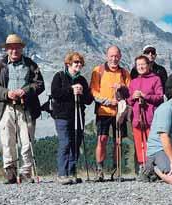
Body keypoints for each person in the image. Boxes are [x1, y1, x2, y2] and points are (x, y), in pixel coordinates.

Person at [0, 34, 44, 184]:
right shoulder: (0, 65)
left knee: (27, 141)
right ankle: (10, 173)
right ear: (6, 50)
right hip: (6, 107)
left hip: (26, 108)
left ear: (21, 48)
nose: (14, 51)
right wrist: (7, 93)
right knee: (7, 140)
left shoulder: (31, 65)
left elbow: (39, 84)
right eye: (11, 48)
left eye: (17, 47)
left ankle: (26, 173)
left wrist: (25, 91)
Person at [51, 52, 93, 185]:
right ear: (68, 63)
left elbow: (88, 100)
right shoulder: (59, 76)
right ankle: (62, 174)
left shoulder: (82, 80)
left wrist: (82, 93)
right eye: (76, 62)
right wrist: (71, 89)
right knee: (65, 143)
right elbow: (55, 94)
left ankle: (72, 172)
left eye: (80, 62)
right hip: (62, 116)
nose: (79, 65)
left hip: (78, 116)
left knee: (76, 143)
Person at [90, 45, 131, 182]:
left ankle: (116, 169)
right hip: (103, 112)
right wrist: (108, 102)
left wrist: (122, 87)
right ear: (107, 56)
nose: (114, 59)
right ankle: (100, 170)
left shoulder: (125, 73)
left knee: (118, 141)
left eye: (116, 56)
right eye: (111, 56)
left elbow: (129, 93)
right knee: (102, 140)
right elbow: (93, 92)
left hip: (119, 112)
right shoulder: (98, 70)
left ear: (120, 56)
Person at [128, 55, 164, 173]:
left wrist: (145, 96)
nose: (141, 67)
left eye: (143, 64)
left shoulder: (156, 79)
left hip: (151, 117)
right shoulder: (133, 82)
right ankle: (142, 167)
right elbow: (129, 100)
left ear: (148, 65)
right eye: (138, 65)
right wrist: (133, 97)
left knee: (152, 143)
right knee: (139, 144)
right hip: (137, 117)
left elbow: (160, 97)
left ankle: (153, 168)